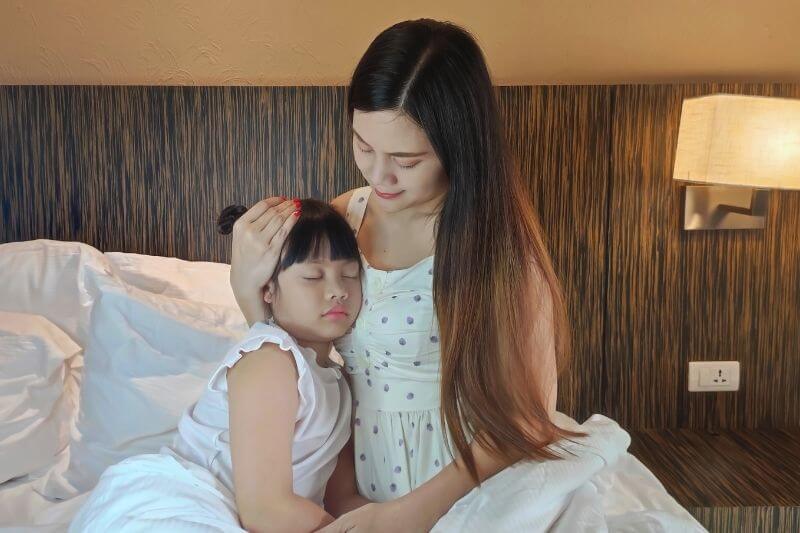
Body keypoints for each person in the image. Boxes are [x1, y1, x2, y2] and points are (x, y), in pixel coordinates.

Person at [229, 19, 580, 532]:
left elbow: (523, 418)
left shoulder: (495, 250)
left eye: (406, 160)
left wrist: (404, 516)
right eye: (364, 146)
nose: (379, 175)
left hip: (457, 486)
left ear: (457, 147)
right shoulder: (344, 217)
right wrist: (249, 293)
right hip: (351, 479)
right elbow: (304, 360)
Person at [70, 199, 367, 532]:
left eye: (349, 274)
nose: (337, 290)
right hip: (182, 495)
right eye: (313, 276)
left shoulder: (339, 383)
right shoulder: (270, 359)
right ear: (268, 289)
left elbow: (342, 501)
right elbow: (266, 511)